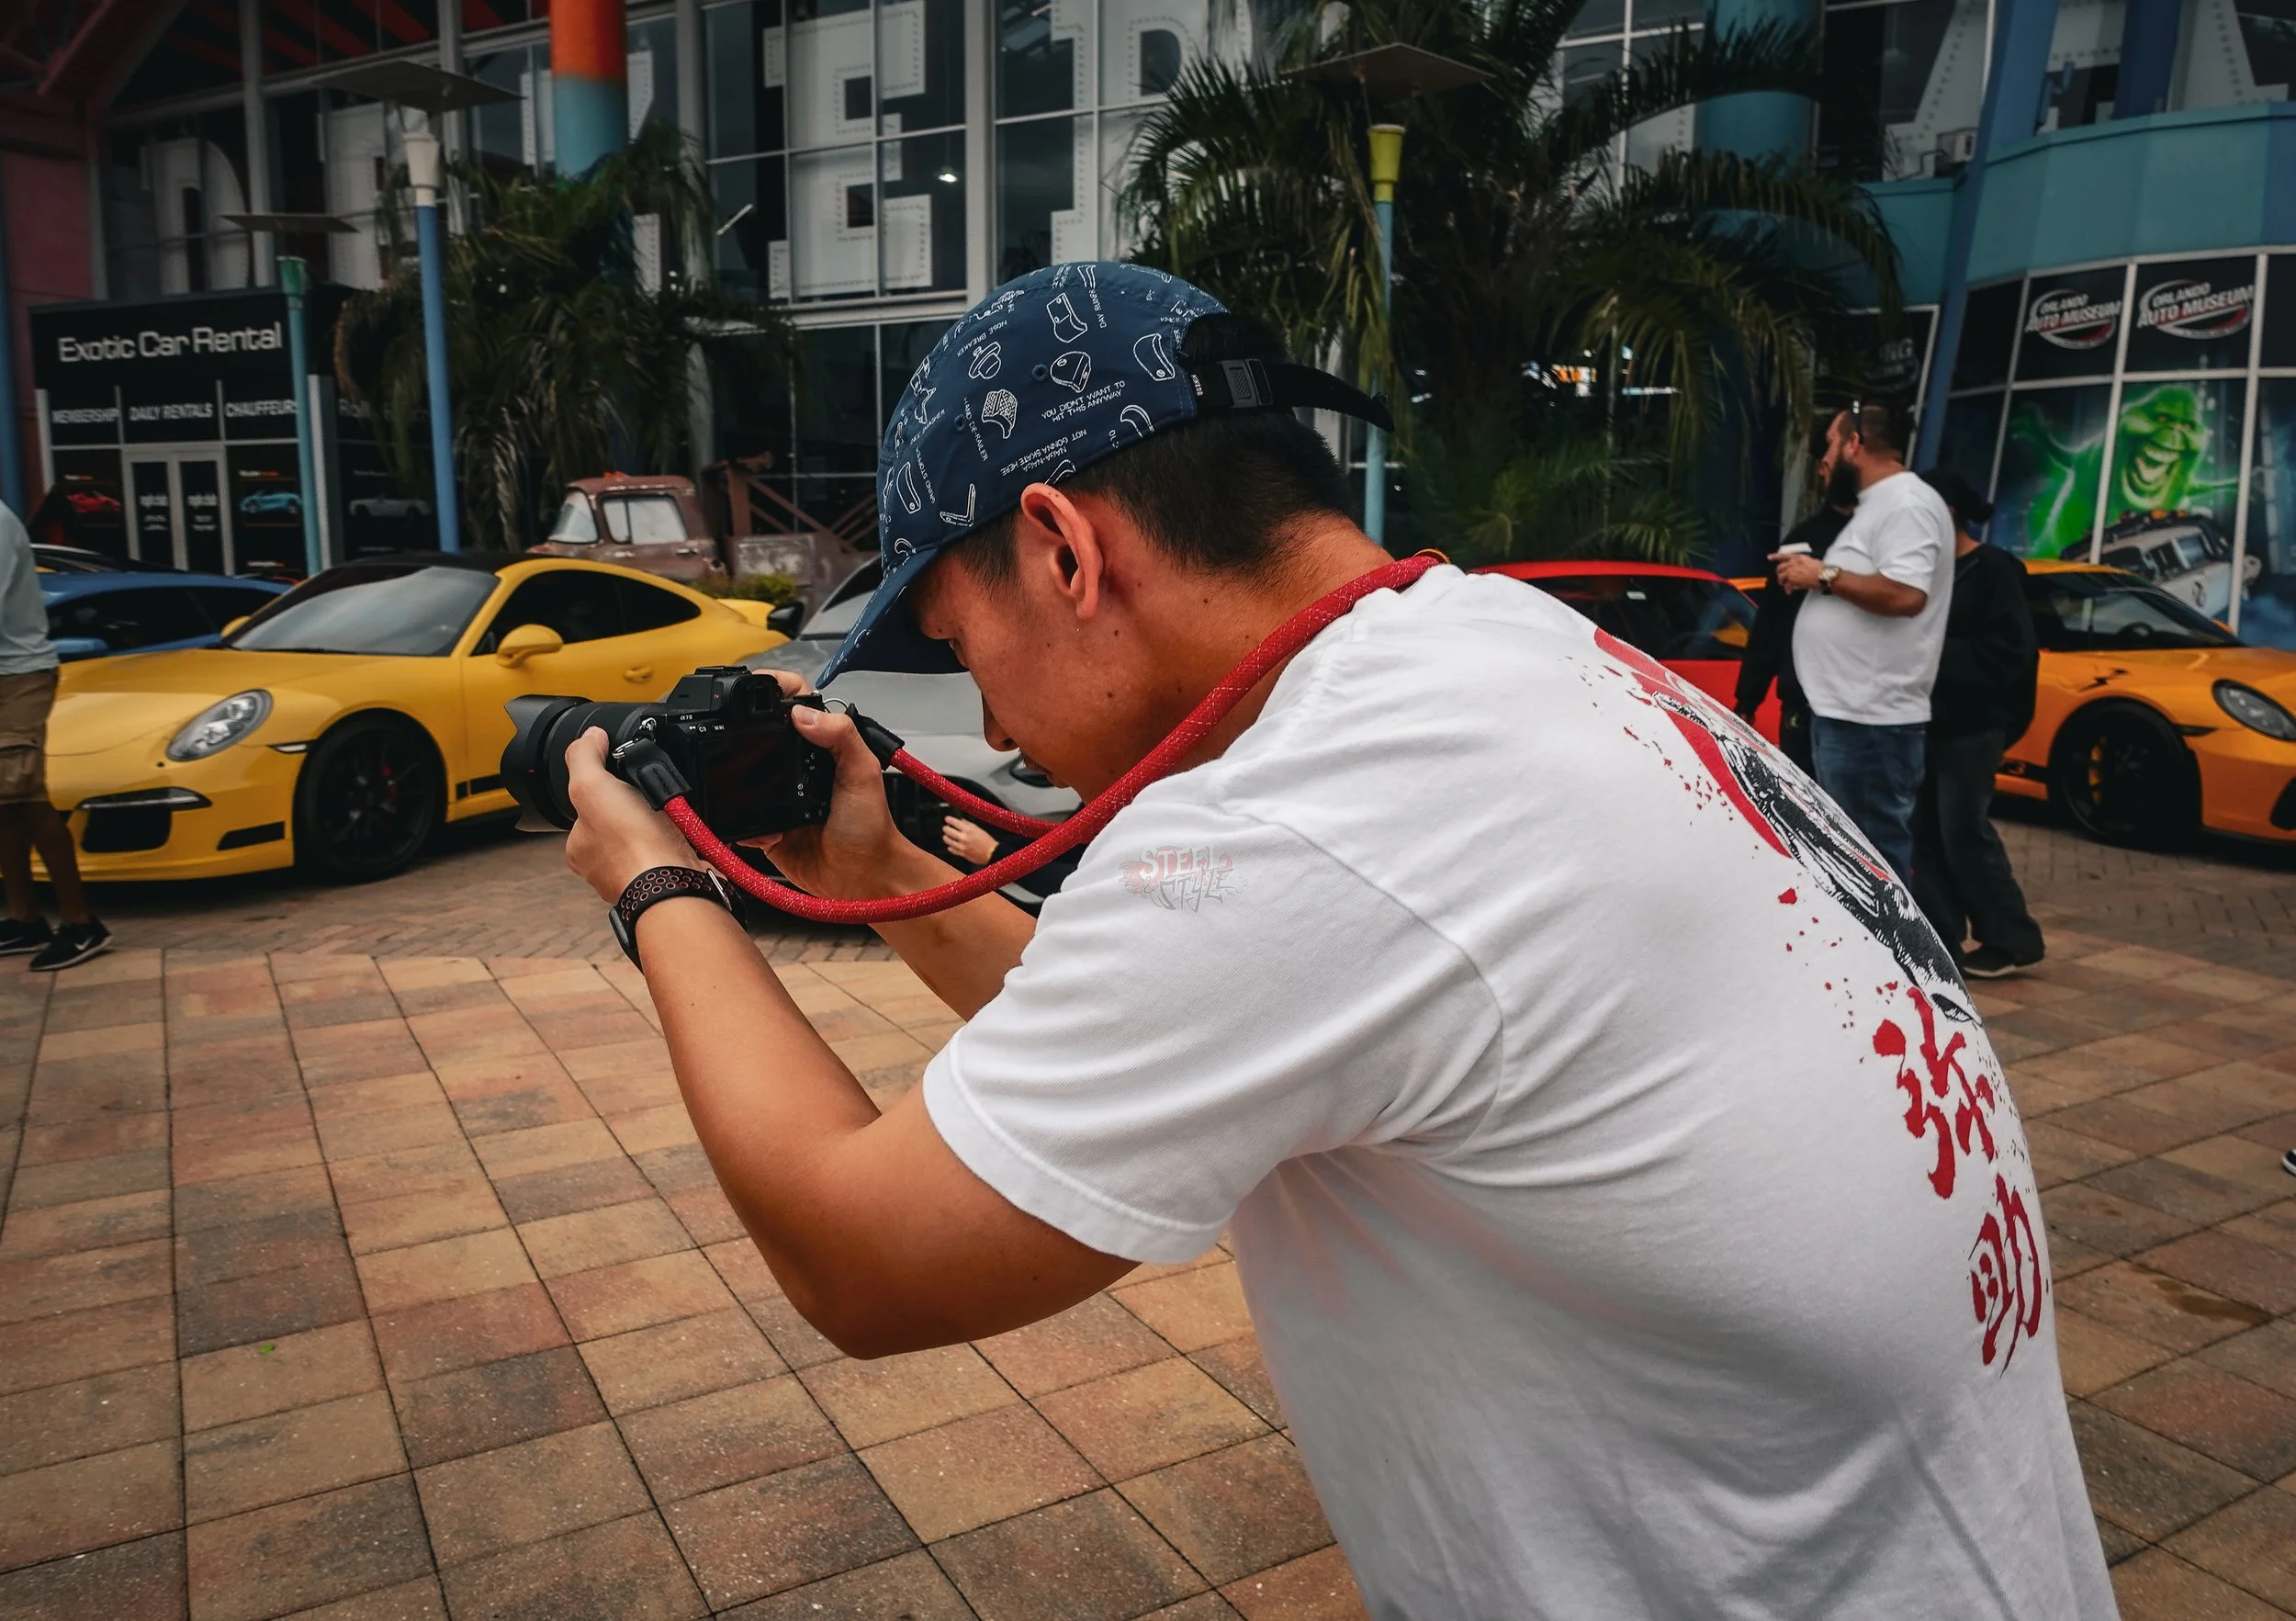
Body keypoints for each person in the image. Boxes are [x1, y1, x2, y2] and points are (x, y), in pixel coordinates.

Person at [557, 265, 2110, 1617]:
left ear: (1064, 550)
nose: (990, 724)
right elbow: (1148, 1040)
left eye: (959, 649)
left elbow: (862, 1258)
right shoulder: (1502, 654)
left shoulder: (1302, 824)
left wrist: (655, 880)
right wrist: (879, 861)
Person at [1772, 402, 1957, 884]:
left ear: (1855, 443)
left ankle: (1890, 960)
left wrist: (1824, 575)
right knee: (1849, 859)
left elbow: (1906, 594)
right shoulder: (1881, 506)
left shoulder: (1907, 504)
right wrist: (1813, 579)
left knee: (1871, 868)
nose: (1825, 460)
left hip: (1869, 721)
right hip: (1849, 714)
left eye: (1831, 444)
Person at [1912, 468, 2046, 978]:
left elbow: (2012, 654)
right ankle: (1943, 937)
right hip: (1926, 721)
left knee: (1963, 829)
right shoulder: (1928, 573)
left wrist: (1927, 651)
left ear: (1945, 513)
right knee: (1926, 832)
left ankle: (2011, 938)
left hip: (1974, 726)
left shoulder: (1993, 570)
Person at [0, 501, 108, 972]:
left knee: (24, 795)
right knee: (3, 799)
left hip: (19, 676)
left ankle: (82, 924)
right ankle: (24, 919)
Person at [1735, 465, 1856, 774]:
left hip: (1857, 703)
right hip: (1806, 699)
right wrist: (1748, 699)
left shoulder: (1881, 539)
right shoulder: (1802, 540)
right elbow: (1771, 624)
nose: (1825, 465)